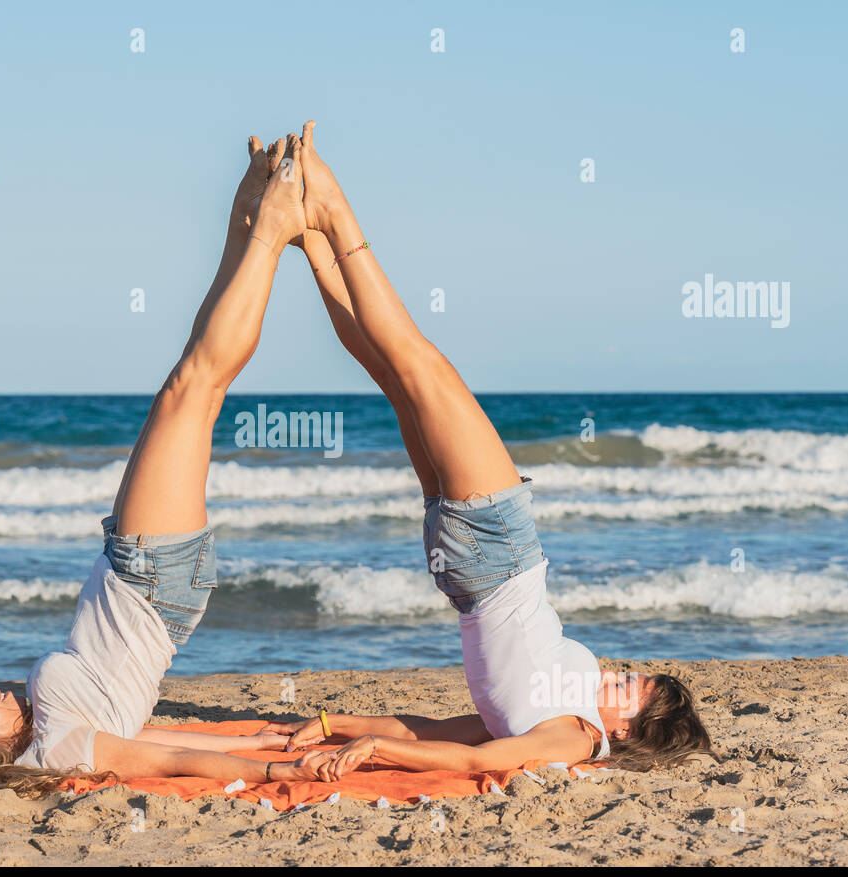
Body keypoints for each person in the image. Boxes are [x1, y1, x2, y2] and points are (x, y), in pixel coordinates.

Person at [0, 133, 320, 797]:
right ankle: (270, 230)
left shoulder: (51, 730)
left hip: (141, 573)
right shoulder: (61, 746)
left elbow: (159, 741)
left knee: (190, 380)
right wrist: (274, 769)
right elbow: (165, 766)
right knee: (195, 386)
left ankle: (248, 217)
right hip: (149, 581)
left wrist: (262, 739)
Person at [265, 122, 715, 781]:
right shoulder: (540, 717)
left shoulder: (573, 735)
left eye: (634, 687)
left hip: (498, 548)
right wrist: (340, 726)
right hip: (464, 569)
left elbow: (472, 758)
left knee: (418, 364)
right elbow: (432, 729)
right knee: (397, 377)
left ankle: (331, 212)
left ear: (626, 729)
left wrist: (378, 751)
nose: (626, 673)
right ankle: (308, 237)